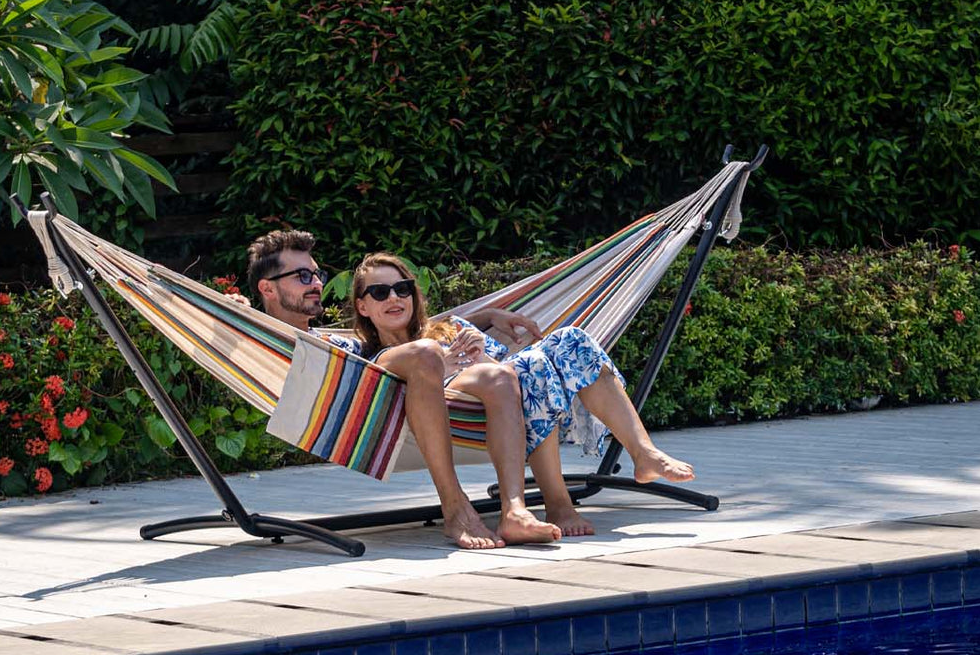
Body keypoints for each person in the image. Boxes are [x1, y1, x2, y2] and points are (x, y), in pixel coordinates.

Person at [244, 229, 561, 548]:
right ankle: (454, 506)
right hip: (371, 401)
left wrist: (485, 316)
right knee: (426, 351)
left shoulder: (337, 342)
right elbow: (413, 343)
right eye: (302, 275)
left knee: (443, 355)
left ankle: (510, 510)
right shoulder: (254, 337)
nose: (316, 283)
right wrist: (235, 318)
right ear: (267, 289)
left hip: (391, 393)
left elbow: (406, 328)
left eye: (316, 273)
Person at [348, 253, 696, 538]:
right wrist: (447, 361)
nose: (394, 297)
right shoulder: (378, 357)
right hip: (464, 399)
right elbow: (425, 378)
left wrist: (483, 336)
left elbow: (501, 366)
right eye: (380, 293)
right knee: (525, 369)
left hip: (508, 389)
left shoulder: (448, 327)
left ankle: (644, 452)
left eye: (402, 288)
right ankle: (552, 503)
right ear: (363, 307)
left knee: (572, 340)